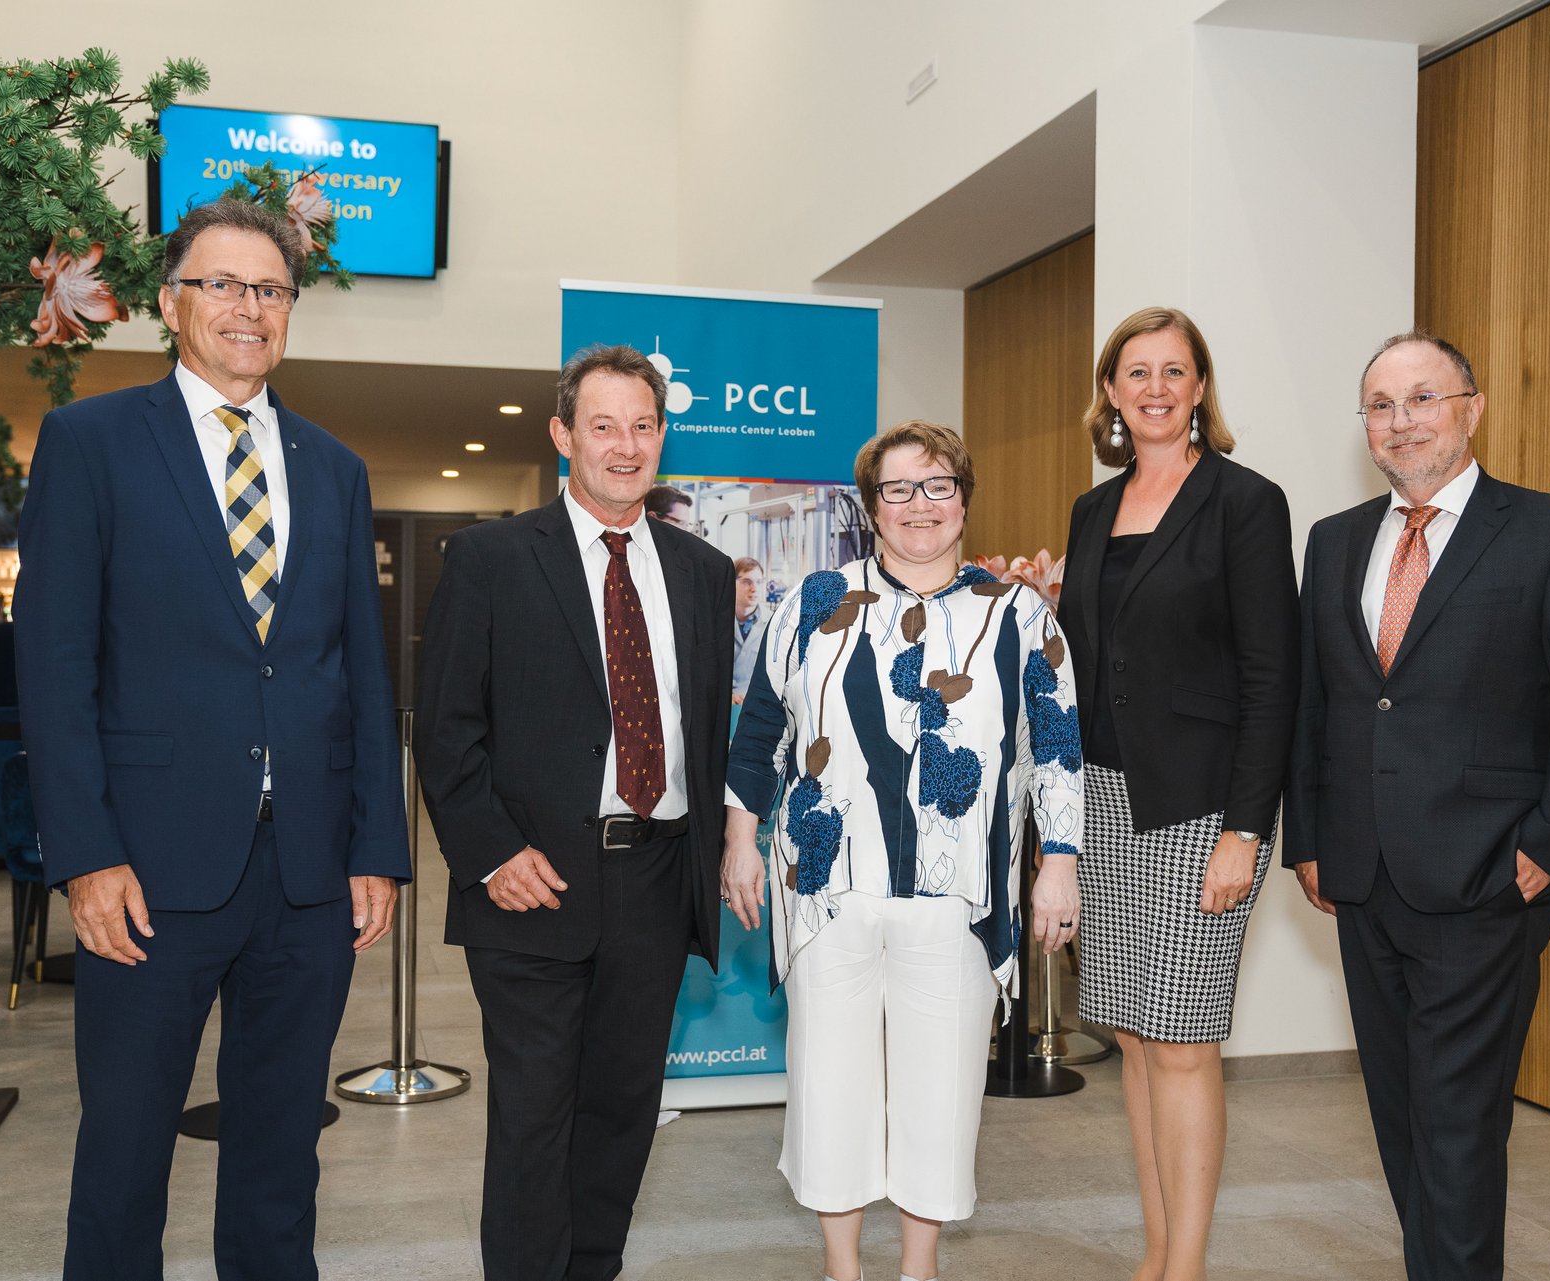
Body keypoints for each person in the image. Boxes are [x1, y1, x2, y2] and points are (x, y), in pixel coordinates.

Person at [14, 199, 409, 1281]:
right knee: (127, 1156)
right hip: (145, 872)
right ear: (169, 303)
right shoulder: (90, 443)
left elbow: (360, 677)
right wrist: (86, 856)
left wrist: (377, 847)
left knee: (283, 1154)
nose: (250, 308)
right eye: (223, 285)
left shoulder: (334, 467)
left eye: (270, 291)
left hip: (309, 874)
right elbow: (54, 671)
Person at [1284, 332, 1550, 1280]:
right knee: (1400, 1118)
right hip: (1360, 879)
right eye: (1380, 406)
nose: (1400, 422)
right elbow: (1318, 703)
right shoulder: (1334, 539)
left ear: (1471, 408)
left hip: (1489, 878)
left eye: (1421, 399)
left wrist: (1549, 848)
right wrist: (1309, 841)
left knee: (1458, 1122)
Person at [724, 420, 1083, 1281]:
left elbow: (1058, 744)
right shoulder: (810, 601)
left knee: (940, 1089)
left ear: (963, 498)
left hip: (958, 898)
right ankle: (842, 1269)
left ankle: (918, 1267)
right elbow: (759, 733)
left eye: (937, 485)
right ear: (870, 506)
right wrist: (741, 836)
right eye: (898, 488)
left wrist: (1058, 860)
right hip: (826, 890)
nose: (919, 505)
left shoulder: (1019, 613)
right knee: (828, 1085)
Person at [415, 343, 733, 1281]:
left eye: (643, 426)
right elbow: (444, 730)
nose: (625, 446)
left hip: (657, 878)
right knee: (532, 1120)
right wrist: (490, 852)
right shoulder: (489, 558)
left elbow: (705, 729)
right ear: (564, 436)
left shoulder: (704, 572)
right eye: (604, 426)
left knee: (623, 1113)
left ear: (662, 437)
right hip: (532, 884)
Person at [1057, 306, 1299, 1280]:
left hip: (1201, 808)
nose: (1154, 388)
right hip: (1107, 801)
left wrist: (1246, 828)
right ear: (1110, 393)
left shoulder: (1245, 502)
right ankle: (1158, 1255)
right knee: (1133, 1035)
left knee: (1186, 1038)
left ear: (1200, 389)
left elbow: (1270, 677)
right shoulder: (1091, 510)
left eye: (1174, 371)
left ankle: (1184, 1269)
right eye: (1135, 372)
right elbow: (1091, 654)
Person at [731, 554, 766, 703]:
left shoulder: (772, 623)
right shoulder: (714, 621)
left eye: (759, 582)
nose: (754, 588)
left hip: (757, 705)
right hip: (721, 704)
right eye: (747, 582)